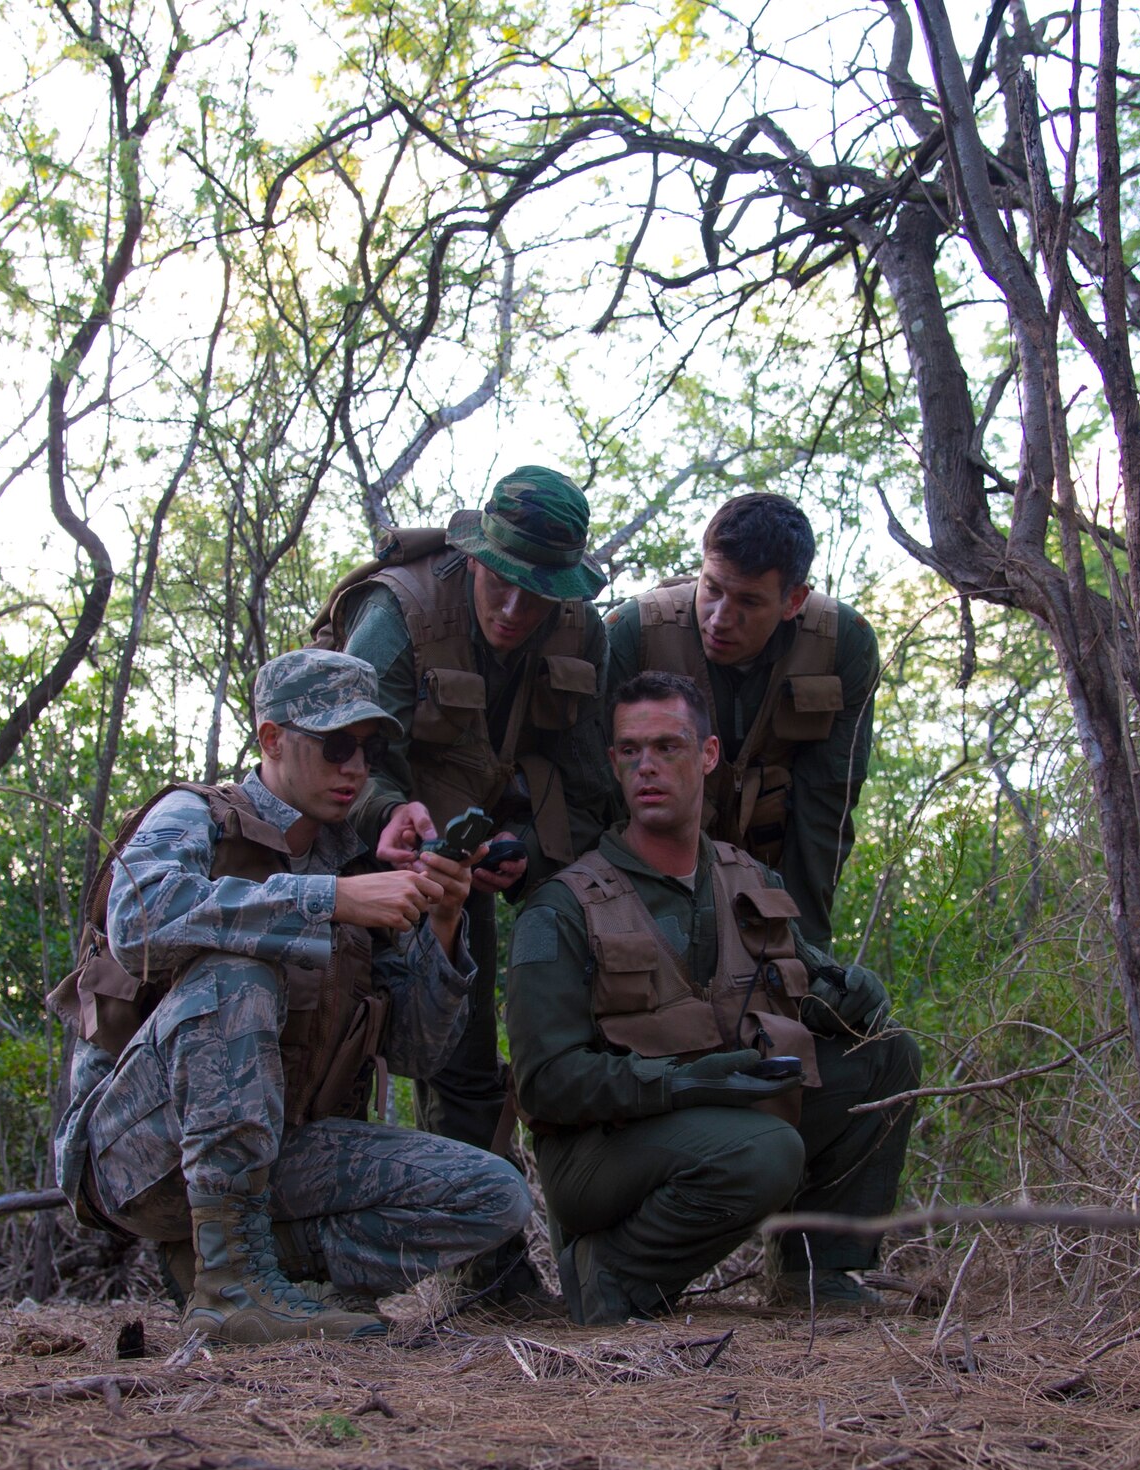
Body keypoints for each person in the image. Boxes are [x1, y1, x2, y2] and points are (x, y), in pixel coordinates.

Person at [51, 648, 534, 1346]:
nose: (356, 768)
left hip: (278, 1148)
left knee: (494, 1196)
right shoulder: (196, 815)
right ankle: (232, 1287)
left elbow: (417, 1051)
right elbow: (139, 923)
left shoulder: (358, 860)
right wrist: (330, 900)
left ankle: (250, 1271)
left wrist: (444, 923)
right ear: (271, 739)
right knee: (236, 976)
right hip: (134, 1153)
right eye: (336, 745)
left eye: (369, 750)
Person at [505, 670, 919, 1324]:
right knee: (765, 1150)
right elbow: (546, 1085)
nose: (647, 766)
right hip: (602, 1156)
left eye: (668, 747)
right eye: (630, 751)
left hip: (723, 1116)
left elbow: (800, 987)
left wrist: (849, 997)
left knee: (884, 1057)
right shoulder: (562, 909)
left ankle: (821, 1274)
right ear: (613, 763)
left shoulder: (747, 878)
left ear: (707, 755)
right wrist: (680, 1083)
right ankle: (613, 1274)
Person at [314, 465, 614, 1314]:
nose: (516, 611)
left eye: (539, 593)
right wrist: (389, 813)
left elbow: (581, 775)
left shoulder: (579, 635)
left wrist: (530, 851)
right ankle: (327, 1266)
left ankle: (496, 1269)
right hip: (363, 850)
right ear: (475, 554)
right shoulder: (401, 611)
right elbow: (342, 752)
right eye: (502, 581)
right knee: (361, 1049)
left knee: (488, 1055)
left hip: (480, 855)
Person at [604, 491, 878, 949]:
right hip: (647, 875)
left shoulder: (842, 645)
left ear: (793, 600)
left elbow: (827, 803)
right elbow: (604, 793)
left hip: (769, 875)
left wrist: (802, 945)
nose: (719, 619)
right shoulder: (634, 633)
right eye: (711, 588)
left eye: (748, 602)